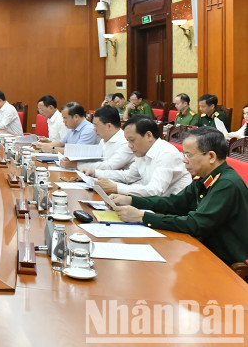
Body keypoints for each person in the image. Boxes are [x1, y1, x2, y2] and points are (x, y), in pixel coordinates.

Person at [111, 127, 248, 265]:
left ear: (211, 156)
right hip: (202, 248)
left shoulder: (226, 184)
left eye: (189, 155)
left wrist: (142, 217)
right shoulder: (205, 178)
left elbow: (196, 224)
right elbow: (174, 203)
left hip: (223, 260)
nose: (184, 160)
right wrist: (131, 200)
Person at [88, 115, 191, 197]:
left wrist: (116, 188)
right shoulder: (142, 151)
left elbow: (155, 190)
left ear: (149, 136)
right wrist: (95, 173)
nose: (129, 146)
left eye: (132, 140)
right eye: (127, 141)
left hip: (171, 208)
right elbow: (128, 176)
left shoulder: (167, 154)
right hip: (152, 202)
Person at [61, 106, 134, 171]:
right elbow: (95, 159)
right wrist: (72, 160)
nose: (94, 129)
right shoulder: (103, 140)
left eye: (96, 126)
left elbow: (109, 166)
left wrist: (76, 165)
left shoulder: (125, 142)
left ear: (109, 126)